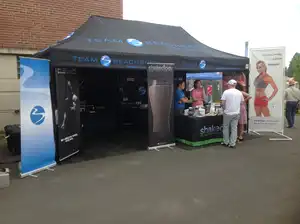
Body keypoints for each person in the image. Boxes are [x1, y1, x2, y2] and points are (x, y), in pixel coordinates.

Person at [221, 79, 244, 148]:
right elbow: (242, 102)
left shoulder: (226, 92)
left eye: (228, 84)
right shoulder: (239, 93)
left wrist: (224, 108)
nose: (227, 85)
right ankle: (232, 143)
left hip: (227, 113)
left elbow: (222, 103)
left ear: (229, 85)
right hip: (236, 113)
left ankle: (226, 142)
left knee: (226, 127)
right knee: (234, 128)